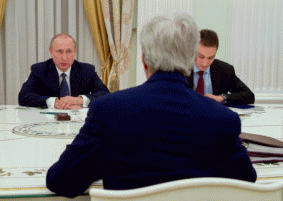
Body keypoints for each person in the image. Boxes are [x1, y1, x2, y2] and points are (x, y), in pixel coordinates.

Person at [46, 14, 257, 198]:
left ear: (144, 61)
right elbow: (247, 181)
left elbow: (61, 180)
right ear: (191, 60)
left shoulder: (108, 111)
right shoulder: (223, 120)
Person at [18, 33, 109, 109]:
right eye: (59, 51)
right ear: (51, 51)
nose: (64, 58)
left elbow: (105, 95)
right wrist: (54, 102)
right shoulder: (39, 70)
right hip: (48, 121)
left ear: (75, 52)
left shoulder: (87, 70)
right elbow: (23, 97)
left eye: (69, 51)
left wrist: (79, 100)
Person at [186, 29, 255, 105]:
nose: (205, 63)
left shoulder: (225, 70)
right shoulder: (181, 69)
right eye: (201, 57)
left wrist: (222, 97)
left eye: (211, 58)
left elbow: (249, 96)